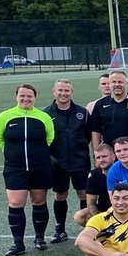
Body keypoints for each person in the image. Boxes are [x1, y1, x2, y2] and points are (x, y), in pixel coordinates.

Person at [0, 83, 55, 256]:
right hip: (15, 168)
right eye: (22, 96)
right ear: (17, 97)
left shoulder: (43, 117)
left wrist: (37, 155)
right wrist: (13, 154)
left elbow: (49, 138)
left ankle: (40, 238)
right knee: (15, 203)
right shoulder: (5, 117)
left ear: (35, 98)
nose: (26, 99)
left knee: (39, 202)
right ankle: (18, 243)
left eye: (29, 96)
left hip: (40, 166)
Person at [44, 78, 91, 243]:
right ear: (54, 92)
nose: (63, 93)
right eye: (60, 90)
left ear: (72, 92)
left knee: (83, 193)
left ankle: (87, 229)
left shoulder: (82, 112)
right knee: (60, 194)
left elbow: (88, 135)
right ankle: (60, 229)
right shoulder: (46, 114)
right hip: (57, 162)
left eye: (67, 91)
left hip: (80, 161)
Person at [75, 143, 116, 226]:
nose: (101, 160)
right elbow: (91, 203)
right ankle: (102, 234)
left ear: (113, 157)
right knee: (79, 216)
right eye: (98, 157)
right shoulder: (93, 175)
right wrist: (100, 221)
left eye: (104, 156)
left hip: (122, 207)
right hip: (104, 210)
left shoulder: (122, 172)